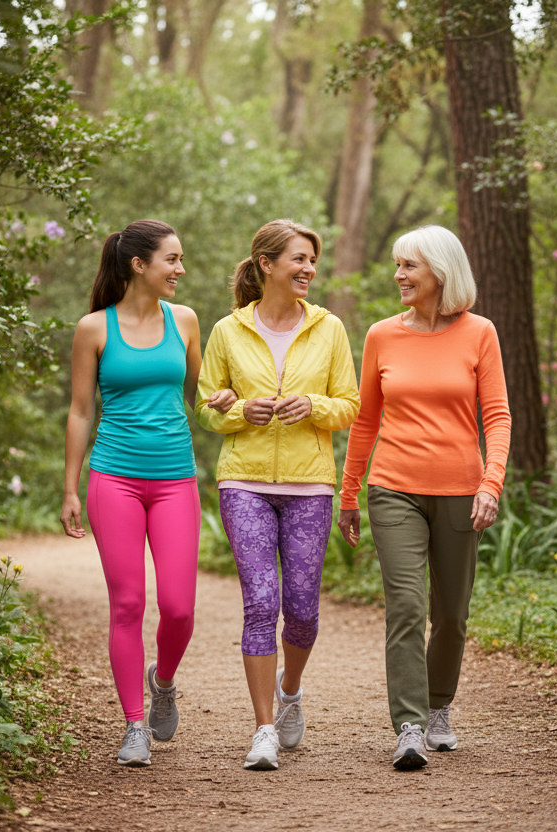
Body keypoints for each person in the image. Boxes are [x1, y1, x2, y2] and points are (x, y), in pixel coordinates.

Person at [338, 225, 510, 770]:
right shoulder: (382, 335)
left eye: (409, 266)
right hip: (394, 489)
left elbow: (497, 417)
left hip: (462, 490)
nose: (399, 276)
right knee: (407, 607)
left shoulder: (480, 332)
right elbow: (366, 419)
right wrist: (350, 492)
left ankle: (439, 706)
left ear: (440, 270)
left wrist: (491, 484)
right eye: (397, 265)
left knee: (452, 614)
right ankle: (408, 724)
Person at [195, 219, 359, 771]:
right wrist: (242, 410)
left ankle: (291, 691)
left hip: (310, 484)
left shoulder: (330, 328)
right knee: (262, 603)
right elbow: (206, 409)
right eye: (299, 259)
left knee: (304, 611)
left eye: (313, 260)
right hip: (244, 482)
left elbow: (351, 405)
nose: (309, 269)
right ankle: (263, 727)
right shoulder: (227, 330)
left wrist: (313, 406)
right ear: (267, 265)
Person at [59, 219, 203, 768]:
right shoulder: (94, 328)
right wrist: (70, 487)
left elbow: (195, 396)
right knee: (127, 604)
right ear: (138, 265)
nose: (180, 270)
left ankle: (162, 680)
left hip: (174, 480)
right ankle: (134, 724)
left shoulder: (185, 322)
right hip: (113, 477)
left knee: (179, 608)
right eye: (172, 259)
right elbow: (79, 411)